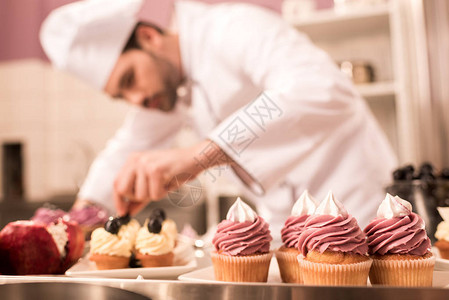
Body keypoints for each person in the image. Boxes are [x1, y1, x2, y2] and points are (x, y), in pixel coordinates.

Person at [40, 0, 397, 240]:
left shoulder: (231, 27)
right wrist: (76, 220)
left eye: (130, 80)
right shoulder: (168, 89)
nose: (136, 100)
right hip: (286, 230)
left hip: (361, 214)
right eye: (122, 96)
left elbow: (317, 87)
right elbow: (127, 146)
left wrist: (200, 156)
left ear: (149, 37)